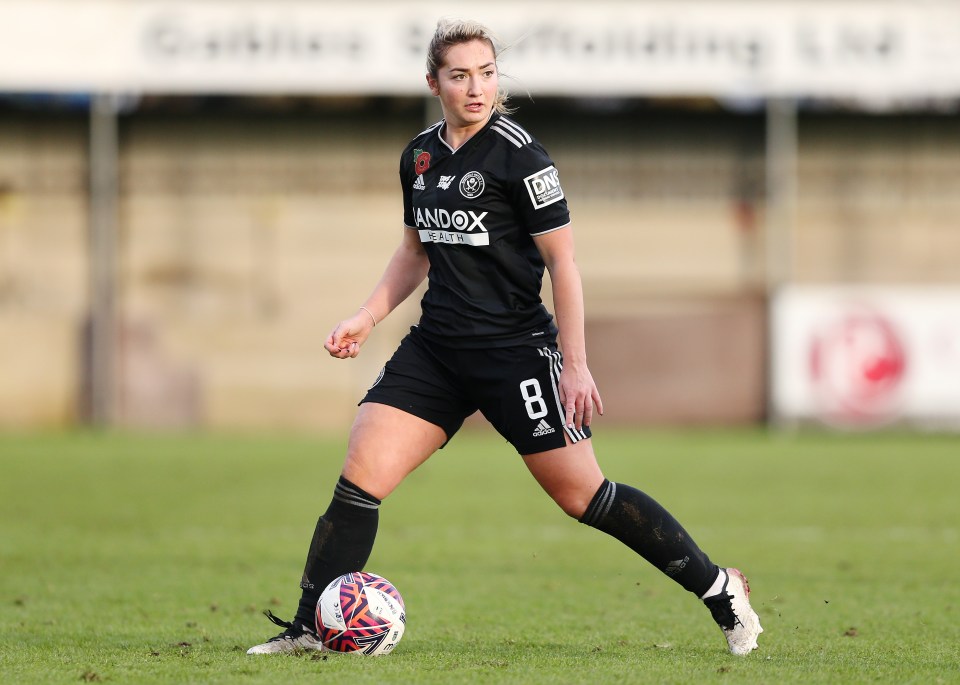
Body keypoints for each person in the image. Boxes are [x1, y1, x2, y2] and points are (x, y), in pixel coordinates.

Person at [246, 17, 762, 657]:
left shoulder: (522, 156)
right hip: (436, 350)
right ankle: (307, 631)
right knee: (360, 475)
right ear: (432, 80)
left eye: (487, 74)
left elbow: (564, 265)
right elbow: (415, 251)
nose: (476, 87)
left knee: (583, 496)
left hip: (517, 353)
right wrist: (367, 316)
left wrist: (574, 364)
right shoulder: (419, 156)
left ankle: (718, 587)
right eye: (460, 75)